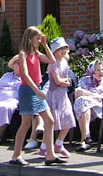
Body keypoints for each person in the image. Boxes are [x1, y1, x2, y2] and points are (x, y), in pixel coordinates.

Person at [9, 26, 66, 166]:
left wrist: (45, 45)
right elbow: (25, 75)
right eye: (38, 38)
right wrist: (37, 91)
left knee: (49, 120)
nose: (40, 40)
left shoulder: (36, 53)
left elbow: (52, 60)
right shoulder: (23, 53)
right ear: (30, 39)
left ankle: (50, 155)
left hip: (37, 89)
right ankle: (16, 155)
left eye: (40, 38)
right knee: (26, 123)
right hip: (28, 90)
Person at [37, 37, 76, 158]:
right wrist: (65, 81)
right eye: (60, 49)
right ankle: (44, 146)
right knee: (51, 123)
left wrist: (66, 82)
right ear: (54, 51)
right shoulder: (53, 64)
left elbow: (66, 79)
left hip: (62, 95)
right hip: (53, 96)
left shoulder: (64, 62)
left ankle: (59, 143)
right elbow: (58, 81)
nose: (63, 51)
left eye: (64, 48)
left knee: (68, 119)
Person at [73, 59, 103, 151]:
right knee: (82, 103)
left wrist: (88, 94)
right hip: (87, 106)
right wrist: (91, 95)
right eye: (98, 70)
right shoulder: (84, 80)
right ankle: (86, 138)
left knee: (82, 102)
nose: (101, 72)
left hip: (102, 106)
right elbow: (78, 93)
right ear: (92, 71)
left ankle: (85, 139)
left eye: (102, 69)